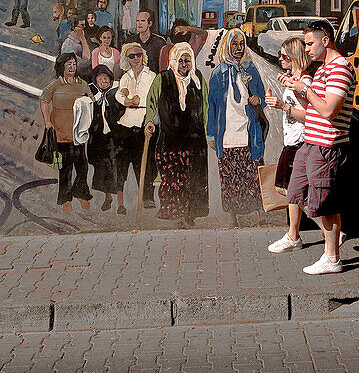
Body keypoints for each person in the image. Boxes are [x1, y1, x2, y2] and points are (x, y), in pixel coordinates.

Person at [276, 20, 355, 275]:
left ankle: (332, 258)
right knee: (298, 194)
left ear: (326, 40)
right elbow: (312, 109)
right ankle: (326, 238)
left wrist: (305, 88)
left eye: (310, 43)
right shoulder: (321, 69)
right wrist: (295, 89)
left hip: (327, 146)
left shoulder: (340, 68)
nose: (306, 48)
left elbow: (329, 110)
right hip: (310, 143)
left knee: (324, 204)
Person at [144, 42, 209, 228]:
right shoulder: (162, 78)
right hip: (170, 141)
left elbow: (205, 107)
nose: (184, 64)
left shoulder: (197, 79)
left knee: (192, 180)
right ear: (173, 61)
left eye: (187, 60)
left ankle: (189, 215)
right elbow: (151, 101)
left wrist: (208, 132)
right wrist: (149, 121)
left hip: (194, 141)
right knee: (173, 179)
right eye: (180, 60)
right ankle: (177, 216)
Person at [206, 28, 266, 225]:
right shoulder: (218, 73)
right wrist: (211, 135)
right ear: (227, 46)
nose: (239, 48)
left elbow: (261, 97)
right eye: (234, 44)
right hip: (227, 133)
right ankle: (233, 218)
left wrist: (258, 99)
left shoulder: (251, 69)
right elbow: (212, 107)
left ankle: (257, 215)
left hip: (249, 132)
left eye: (241, 44)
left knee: (251, 176)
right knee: (230, 179)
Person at [265, 38, 313, 253]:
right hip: (292, 140)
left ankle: (326, 227)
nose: (280, 59)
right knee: (289, 190)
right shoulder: (294, 79)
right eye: (280, 55)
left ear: (294, 57)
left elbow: (310, 115)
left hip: (299, 141)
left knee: (289, 190)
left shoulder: (305, 82)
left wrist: (282, 105)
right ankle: (295, 234)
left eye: (285, 56)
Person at [40, 54, 93, 213]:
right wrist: (47, 121)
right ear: (62, 66)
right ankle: (65, 199)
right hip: (61, 130)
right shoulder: (56, 84)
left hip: (77, 130)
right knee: (65, 167)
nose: (72, 67)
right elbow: (44, 100)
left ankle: (81, 193)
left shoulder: (82, 84)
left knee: (82, 164)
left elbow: (91, 100)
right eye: (69, 64)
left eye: (74, 64)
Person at [112, 42, 158, 209]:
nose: (136, 59)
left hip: (145, 120)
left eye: (138, 55)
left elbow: (154, 99)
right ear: (127, 59)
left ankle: (147, 197)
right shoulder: (126, 76)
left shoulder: (151, 75)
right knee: (124, 162)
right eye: (132, 56)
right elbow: (119, 93)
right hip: (127, 122)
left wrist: (151, 119)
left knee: (146, 162)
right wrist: (127, 100)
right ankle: (122, 201)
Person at [88, 65, 125, 214]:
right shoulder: (92, 96)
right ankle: (108, 197)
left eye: (106, 79)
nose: (104, 81)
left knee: (118, 169)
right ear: (96, 81)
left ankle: (121, 204)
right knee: (103, 168)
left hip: (115, 137)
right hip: (98, 139)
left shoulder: (115, 94)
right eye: (100, 79)